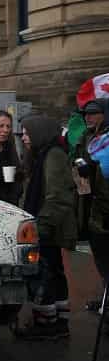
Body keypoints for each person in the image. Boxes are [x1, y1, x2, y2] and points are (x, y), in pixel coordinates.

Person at [17, 115, 78, 339]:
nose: (23, 137)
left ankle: (46, 324)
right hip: (50, 224)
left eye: (27, 132)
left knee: (43, 273)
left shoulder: (52, 156)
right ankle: (59, 321)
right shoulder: (46, 154)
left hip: (48, 226)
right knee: (53, 271)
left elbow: (56, 196)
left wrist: (39, 228)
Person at [73, 100, 109, 315]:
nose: (87, 117)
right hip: (89, 203)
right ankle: (105, 297)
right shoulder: (85, 137)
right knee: (101, 257)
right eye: (85, 113)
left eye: (93, 113)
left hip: (103, 209)